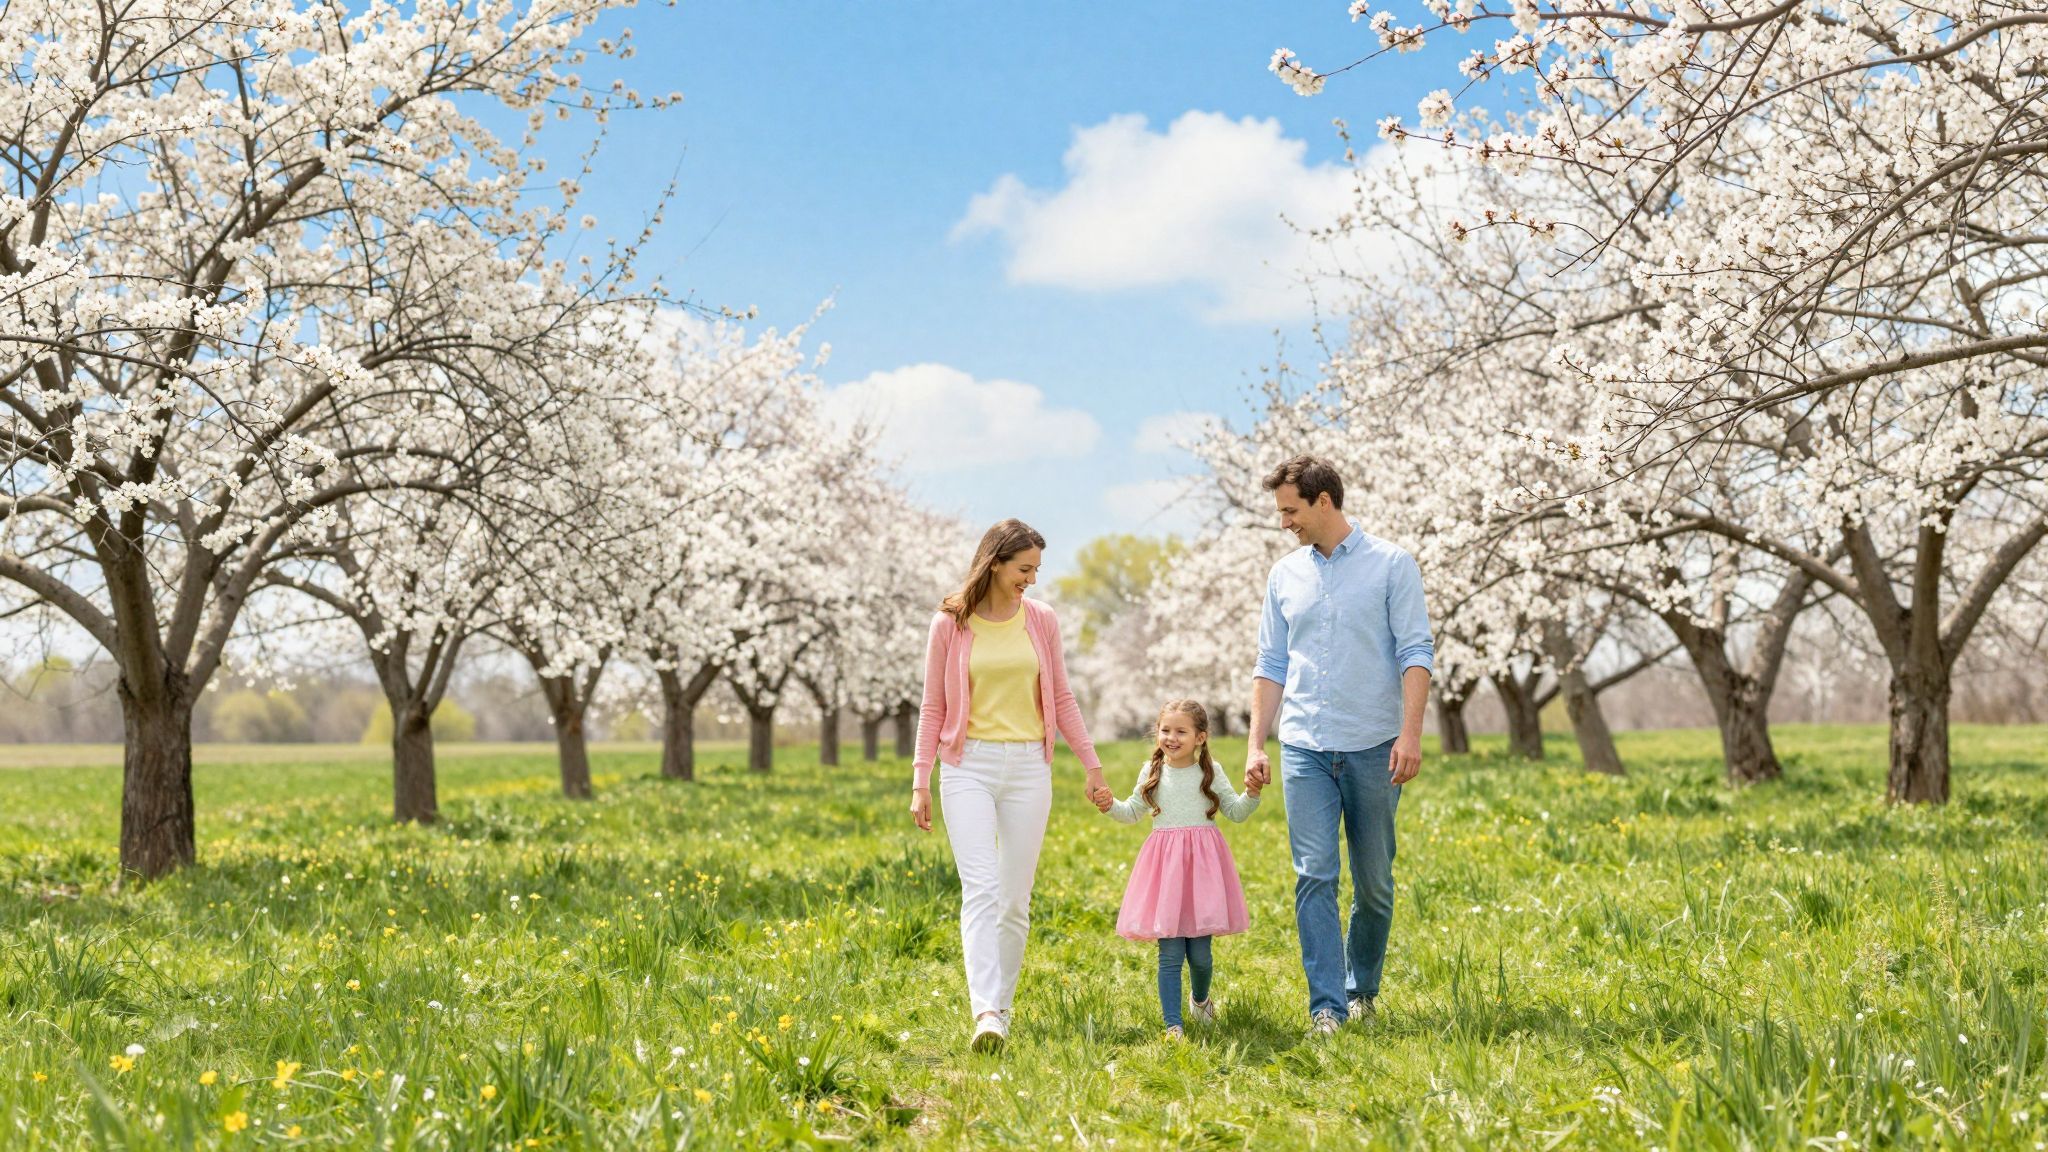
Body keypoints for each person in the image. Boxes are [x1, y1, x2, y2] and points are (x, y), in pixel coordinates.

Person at [1244, 455, 1434, 1035]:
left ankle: (1362, 989)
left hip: (1375, 745)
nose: (1284, 522)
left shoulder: (1391, 565)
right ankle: (1326, 1007)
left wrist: (1411, 734)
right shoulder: (1285, 575)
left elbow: (1416, 652)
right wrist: (1256, 745)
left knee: (1374, 882)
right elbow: (1270, 663)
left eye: (1290, 510)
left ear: (1323, 501)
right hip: (1303, 745)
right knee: (1315, 874)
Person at [908, 518, 1112, 1053]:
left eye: (1037, 570)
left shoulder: (1041, 620)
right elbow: (933, 707)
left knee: (1015, 900)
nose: (1032, 580)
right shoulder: (950, 623)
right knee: (981, 889)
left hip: (1028, 768)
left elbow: (1062, 698)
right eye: (1025, 569)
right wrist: (920, 780)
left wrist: (1091, 766)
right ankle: (986, 1014)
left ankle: (1004, 1004)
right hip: (966, 766)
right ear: (995, 562)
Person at [1096, 699, 1261, 1039]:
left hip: (1201, 874)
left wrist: (1252, 793)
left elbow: (1236, 811)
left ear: (1200, 737)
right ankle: (1173, 1024)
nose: (1171, 737)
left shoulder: (1210, 771)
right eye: (1165, 730)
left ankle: (1200, 1001)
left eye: (1181, 731)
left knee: (1200, 955)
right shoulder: (1152, 772)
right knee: (1170, 954)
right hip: (1166, 874)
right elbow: (1131, 812)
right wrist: (1109, 805)